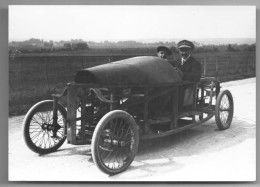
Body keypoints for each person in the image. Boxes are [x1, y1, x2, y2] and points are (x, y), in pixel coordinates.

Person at [171, 40, 202, 110]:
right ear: (179, 51)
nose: (183, 52)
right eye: (181, 50)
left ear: (190, 51)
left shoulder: (195, 63)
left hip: (187, 87)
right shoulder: (175, 62)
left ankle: (177, 110)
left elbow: (196, 77)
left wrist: (182, 74)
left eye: (186, 50)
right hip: (175, 86)